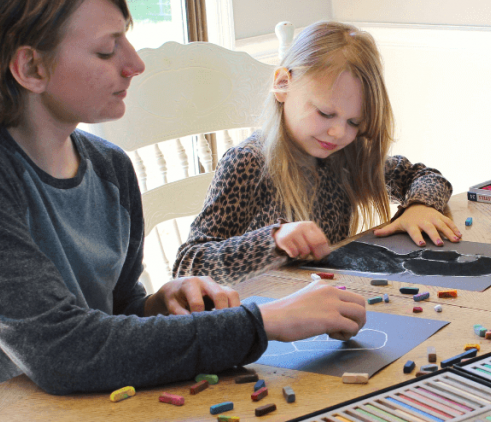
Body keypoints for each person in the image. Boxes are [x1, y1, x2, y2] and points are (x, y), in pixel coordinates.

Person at [0, 0, 366, 405]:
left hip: (98, 419)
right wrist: (265, 321)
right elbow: (67, 351)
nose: (134, 64)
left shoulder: (110, 168)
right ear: (31, 67)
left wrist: (161, 303)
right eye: (107, 49)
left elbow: (118, 314)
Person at [173, 21, 461, 286]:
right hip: (262, 317)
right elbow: (188, 266)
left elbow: (424, 177)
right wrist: (271, 241)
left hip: (323, 303)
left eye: (354, 122)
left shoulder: (345, 156)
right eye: (325, 113)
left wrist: (420, 206)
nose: (338, 133)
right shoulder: (248, 162)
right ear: (283, 85)